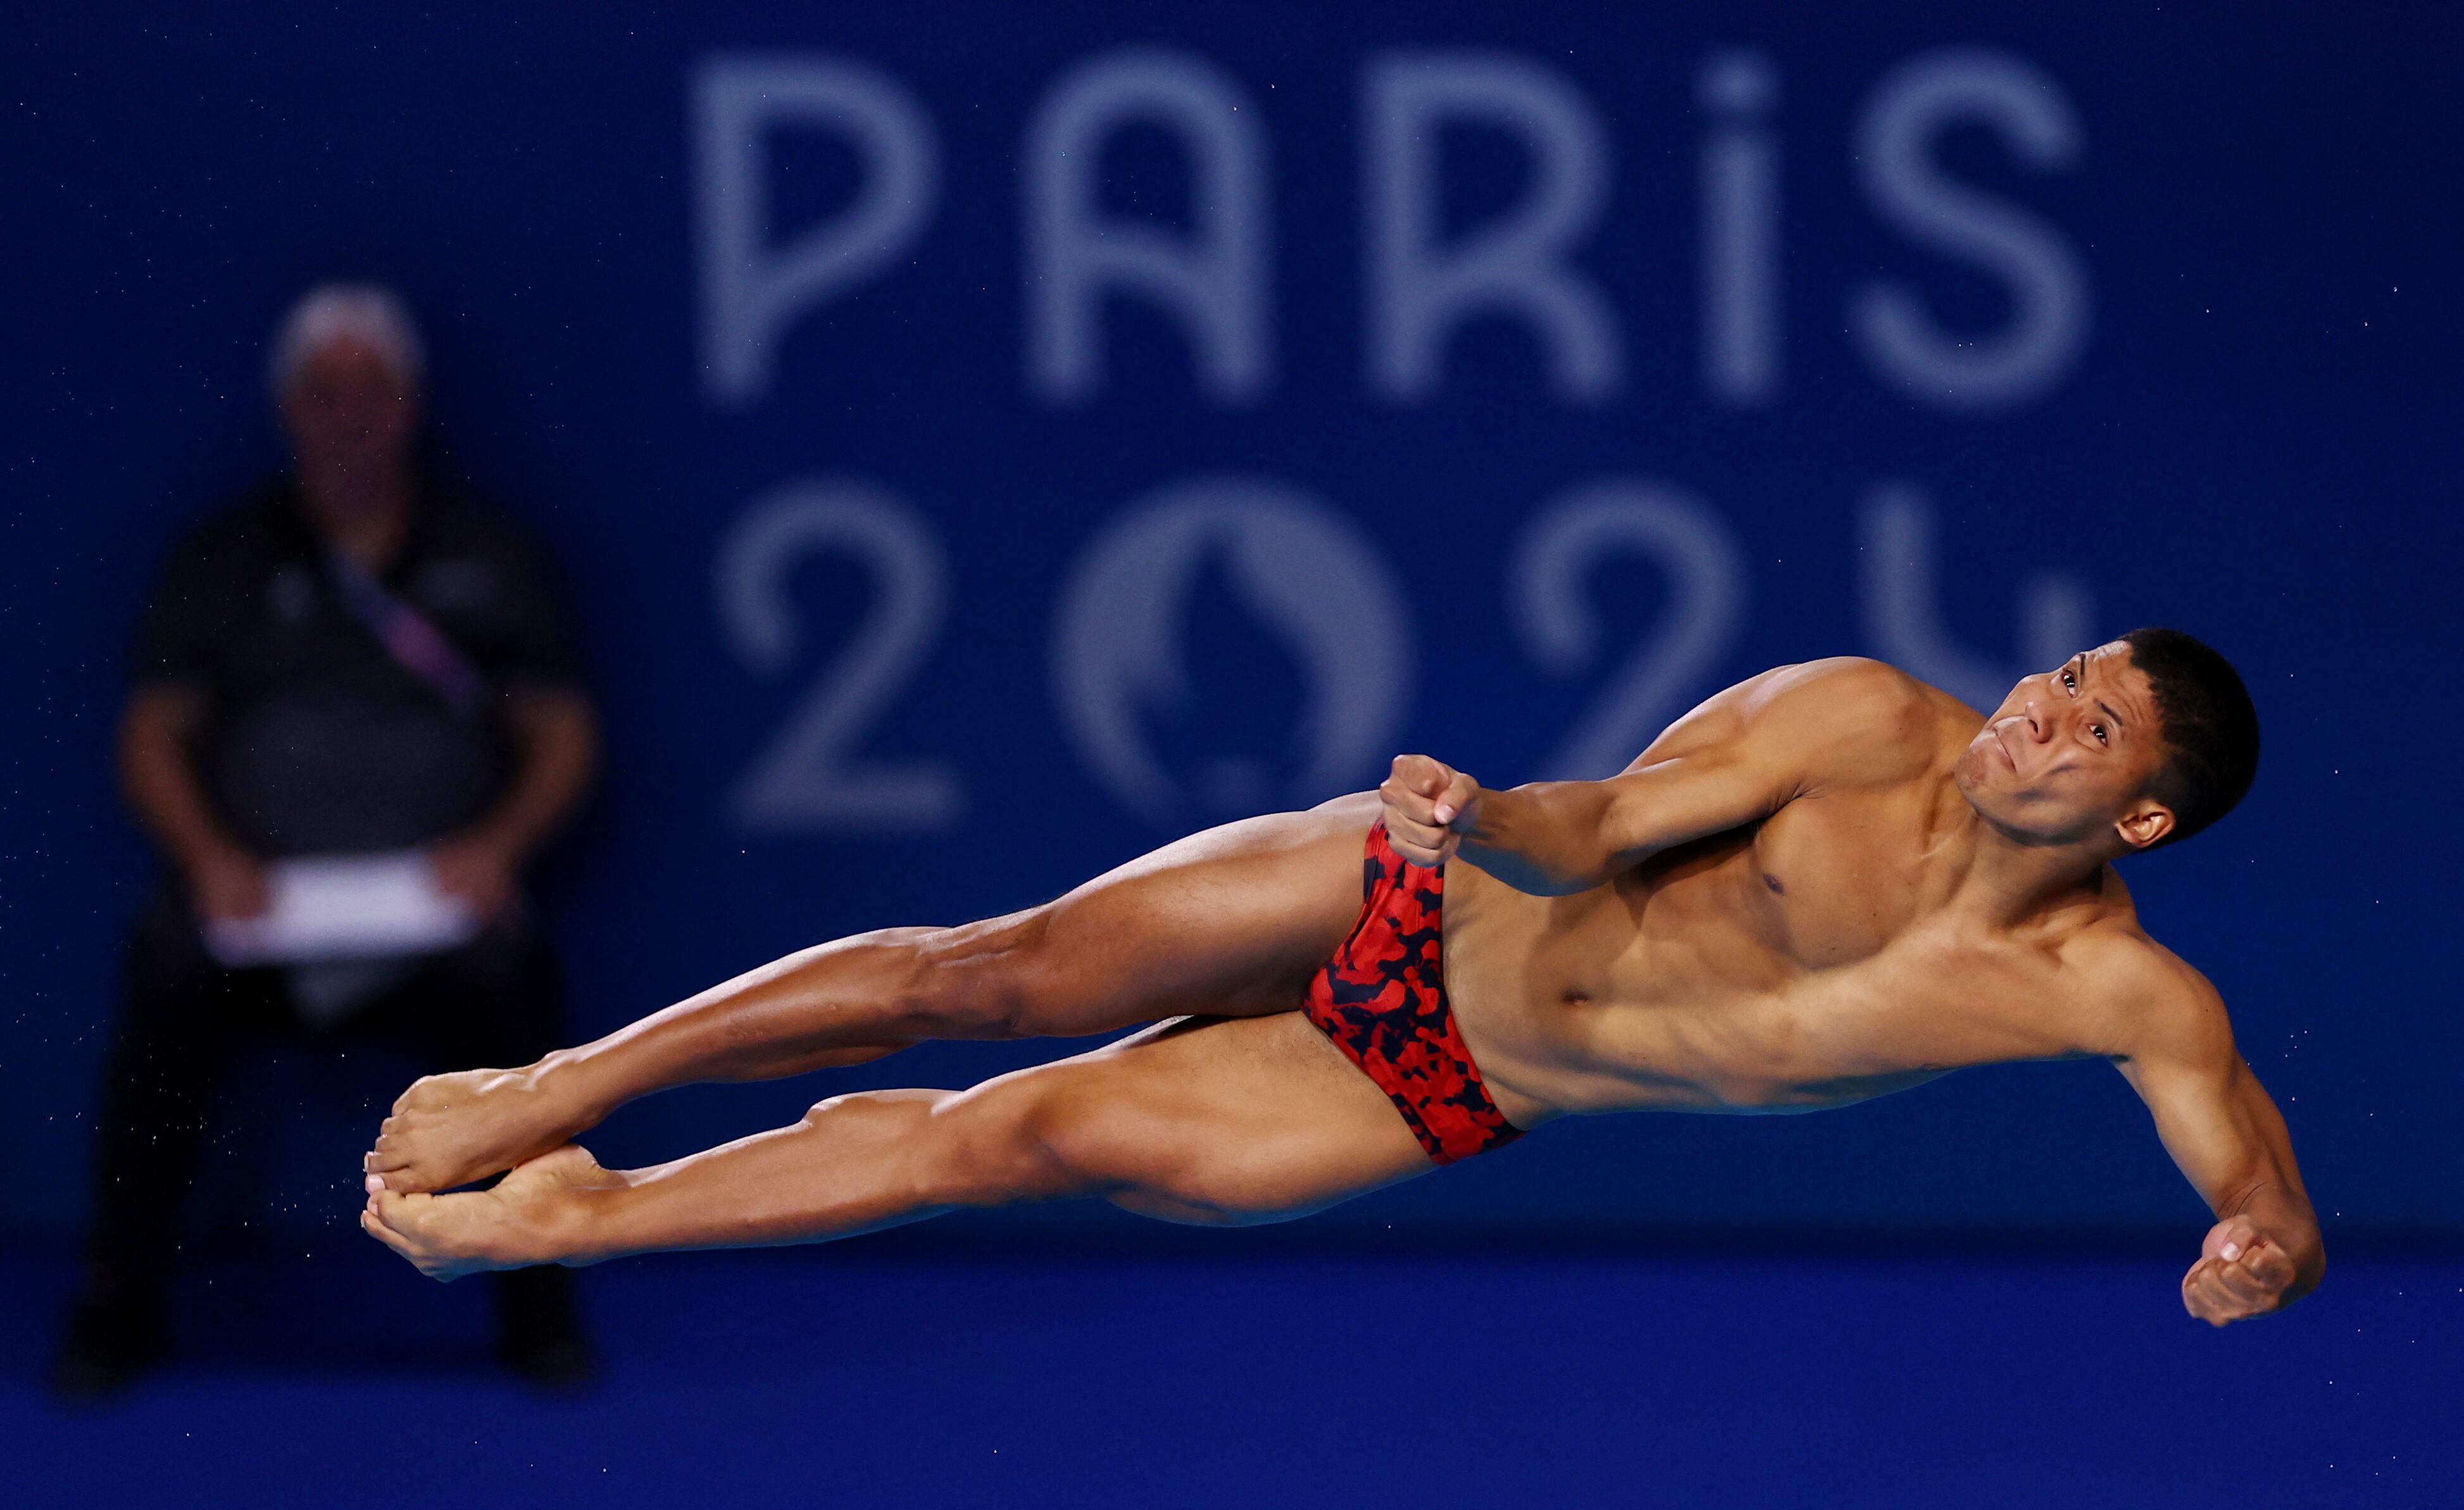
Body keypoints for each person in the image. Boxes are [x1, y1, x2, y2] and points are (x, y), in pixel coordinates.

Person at [360, 633, 2319, 1328]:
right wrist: (1490, 817)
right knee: (994, 975)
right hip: (1427, 897)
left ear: (2135, 824)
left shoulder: (2114, 998)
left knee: (1005, 1145)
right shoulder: (1857, 715)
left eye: (2087, 735)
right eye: (2059, 678)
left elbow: (2259, 1189)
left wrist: (2254, 1252)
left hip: (1434, 1092)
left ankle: (576, 1221)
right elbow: (1609, 817)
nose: (2036, 719)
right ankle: (571, 1081)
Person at [57, 285, 602, 1395]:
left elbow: (560, 731)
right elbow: (153, 733)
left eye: (372, 390)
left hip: (438, 909)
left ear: (410, 407)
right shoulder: (223, 555)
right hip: (256, 905)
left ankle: (540, 1312)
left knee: (516, 989)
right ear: (286, 408)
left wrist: (497, 848)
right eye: (324, 390)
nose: (348, 414)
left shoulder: (485, 554)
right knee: (162, 968)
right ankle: (116, 1309)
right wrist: (210, 859)